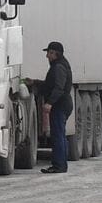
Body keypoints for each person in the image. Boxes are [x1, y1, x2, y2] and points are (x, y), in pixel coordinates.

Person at [39, 41, 73, 174]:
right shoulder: (60, 65)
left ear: (55, 53)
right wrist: (35, 83)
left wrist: (49, 103)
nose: (47, 56)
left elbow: (59, 88)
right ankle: (61, 164)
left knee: (58, 135)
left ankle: (59, 165)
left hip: (60, 105)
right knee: (60, 135)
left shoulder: (58, 67)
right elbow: (51, 85)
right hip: (62, 104)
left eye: (49, 53)